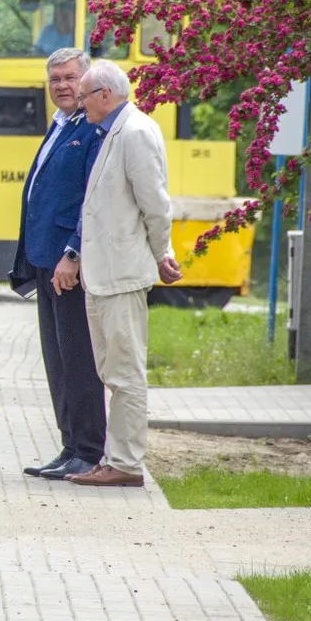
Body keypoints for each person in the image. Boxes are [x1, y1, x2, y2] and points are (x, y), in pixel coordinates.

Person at [66, 59, 182, 488]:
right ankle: (116, 459)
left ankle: (126, 464)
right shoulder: (112, 130)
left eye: (83, 97)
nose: (80, 105)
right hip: (103, 275)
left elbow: (155, 202)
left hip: (121, 274)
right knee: (111, 370)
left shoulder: (134, 132)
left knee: (125, 372)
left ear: (104, 95)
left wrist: (161, 253)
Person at [14, 48, 107, 481]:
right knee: (57, 361)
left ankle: (89, 450)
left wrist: (73, 252)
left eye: (70, 78)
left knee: (78, 358)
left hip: (67, 265)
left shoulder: (92, 130)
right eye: (55, 80)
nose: (63, 86)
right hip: (43, 262)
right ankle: (69, 445)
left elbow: (93, 199)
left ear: (88, 80)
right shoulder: (60, 125)